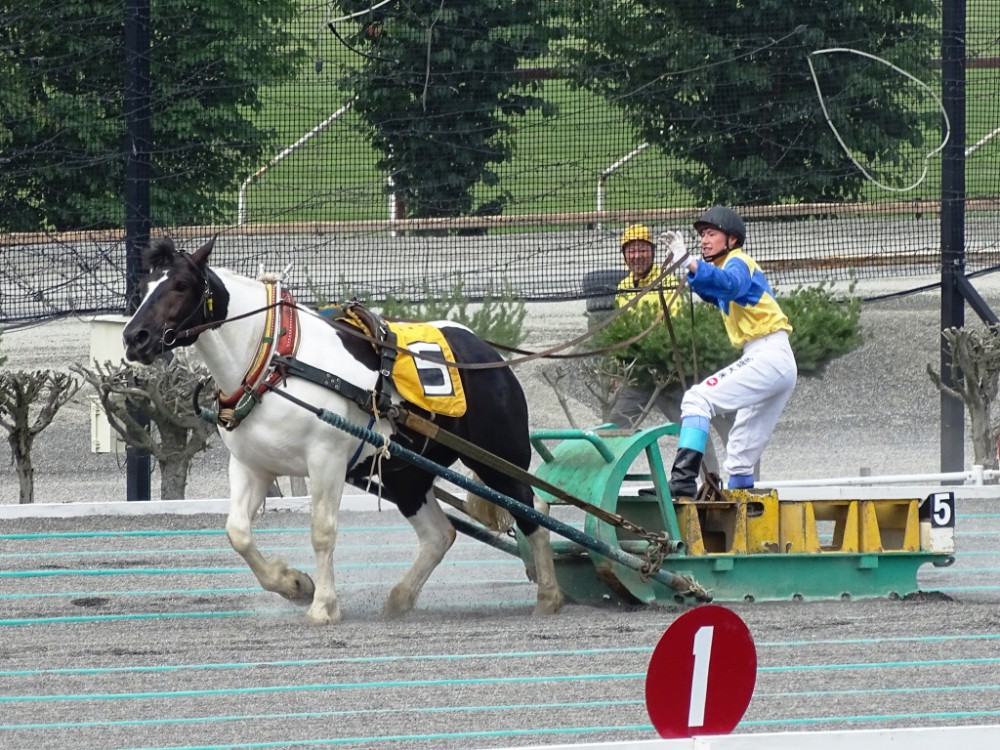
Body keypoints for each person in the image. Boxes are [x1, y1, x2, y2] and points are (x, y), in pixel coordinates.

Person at [660, 206, 797, 498]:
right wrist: (688, 265)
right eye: (702, 235)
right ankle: (742, 519)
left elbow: (729, 285)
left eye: (711, 234)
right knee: (740, 457)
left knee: (697, 398)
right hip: (776, 360)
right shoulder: (726, 267)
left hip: (767, 354)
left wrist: (689, 260)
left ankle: (683, 480)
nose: (704, 240)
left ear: (731, 240)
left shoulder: (739, 261)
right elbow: (712, 289)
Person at [609, 223, 684, 431]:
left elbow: (673, 325)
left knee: (689, 426)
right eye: (631, 250)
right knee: (616, 425)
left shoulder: (666, 281)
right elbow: (619, 330)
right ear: (624, 255)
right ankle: (610, 463)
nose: (637, 256)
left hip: (667, 374)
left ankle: (709, 465)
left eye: (642, 249)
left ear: (652, 252)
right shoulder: (622, 288)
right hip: (638, 375)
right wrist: (619, 370)